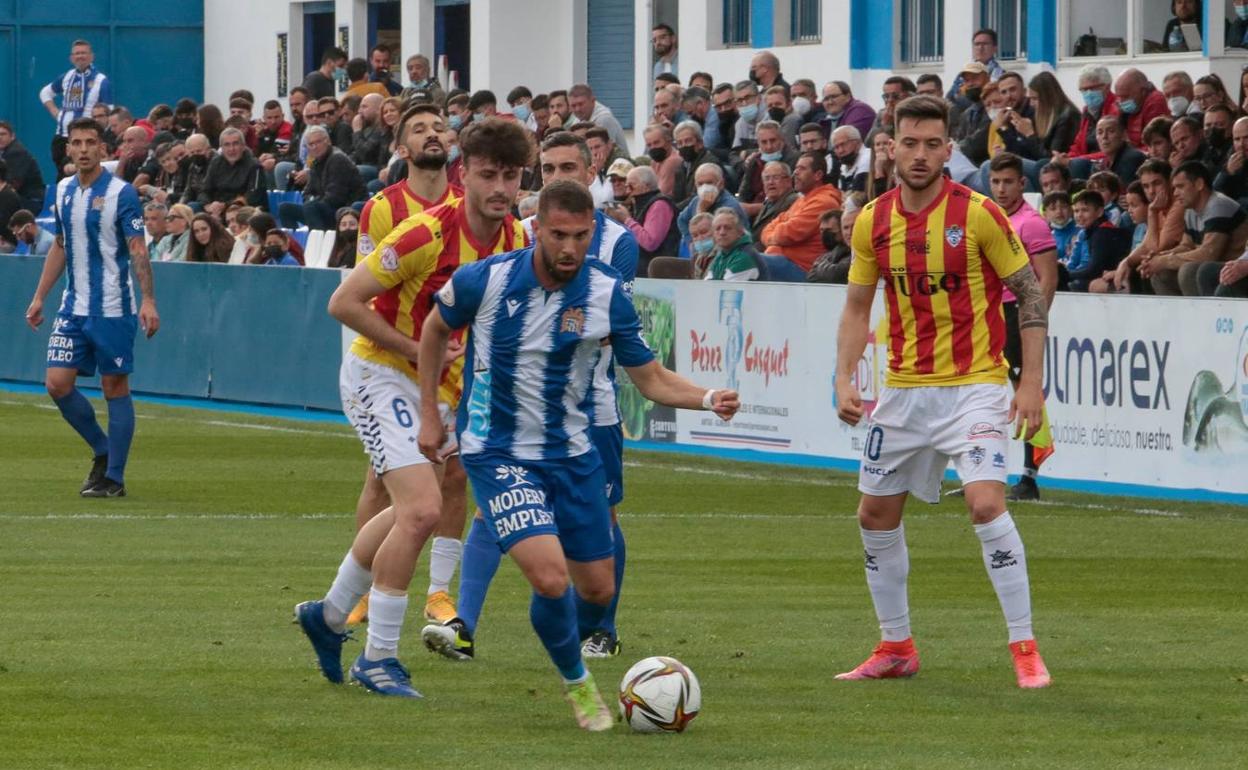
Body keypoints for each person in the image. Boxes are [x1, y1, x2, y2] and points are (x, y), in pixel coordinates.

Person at [416, 179, 739, 730]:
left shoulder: (606, 292)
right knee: (548, 577)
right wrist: (430, 412)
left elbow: (651, 378)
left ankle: (567, 634)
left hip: (574, 454)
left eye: (581, 236)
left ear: (594, 232)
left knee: (597, 590)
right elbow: (434, 327)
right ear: (536, 228)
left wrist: (707, 398)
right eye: (559, 234)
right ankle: (577, 683)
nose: (570, 247)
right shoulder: (487, 280)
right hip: (497, 451)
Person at [294, 118, 530, 700]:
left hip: (441, 389)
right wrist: (415, 351)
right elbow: (343, 302)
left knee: (413, 508)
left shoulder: (517, 242)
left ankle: (328, 616)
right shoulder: (424, 233)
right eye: (487, 174)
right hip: (379, 372)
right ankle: (377, 659)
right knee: (422, 510)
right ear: (463, 174)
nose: (499, 187)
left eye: (511, 175)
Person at [834, 95, 1051, 690]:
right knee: (874, 515)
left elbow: (1030, 297)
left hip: (974, 386)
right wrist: (844, 376)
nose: (921, 154)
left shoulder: (980, 214)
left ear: (949, 149)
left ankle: (1025, 646)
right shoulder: (871, 220)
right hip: (903, 391)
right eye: (911, 143)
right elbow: (857, 307)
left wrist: (1028, 383)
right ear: (892, 145)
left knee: (985, 504)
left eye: (933, 144)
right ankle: (896, 645)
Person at [426, 130, 640, 661]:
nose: (559, 177)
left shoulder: (616, 245)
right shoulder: (518, 234)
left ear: (592, 173)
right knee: (493, 513)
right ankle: (464, 624)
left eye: (569, 167)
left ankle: (600, 627)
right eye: (548, 169)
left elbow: (608, 330)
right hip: (508, 416)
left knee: (602, 520)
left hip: (592, 407)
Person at [342, 103, 465, 628]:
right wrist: (415, 348)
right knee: (385, 482)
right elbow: (363, 294)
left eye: (438, 127)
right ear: (401, 149)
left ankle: (439, 594)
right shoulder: (383, 208)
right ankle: (367, 591)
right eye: (418, 129)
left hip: (455, 375)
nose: (431, 134)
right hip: (396, 365)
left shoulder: (472, 206)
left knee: (454, 478)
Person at [23, 117, 159, 499]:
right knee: (57, 383)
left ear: (103, 148)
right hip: (73, 305)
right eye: (76, 143)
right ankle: (103, 451)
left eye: (90, 143)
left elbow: (137, 248)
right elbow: (62, 245)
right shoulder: (63, 189)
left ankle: (114, 477)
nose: (83, 149)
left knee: (113, 385)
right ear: (68, 148)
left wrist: (148, 300)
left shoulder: (122, 193)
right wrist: (39, 296)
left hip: (114, 307)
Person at [986, 153, 1058, 500]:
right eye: (996, 182)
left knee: (1025, 393)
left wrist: (1033, 323)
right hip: (990, 313)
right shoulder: (989, 218)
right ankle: (984, 472)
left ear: (1022, 184)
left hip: (1016, 313)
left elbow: (1047, 279)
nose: (1001, 189)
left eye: (1008, 182)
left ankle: (1030, 476)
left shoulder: (1031, 224)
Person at [1144, 160, 1248, 295]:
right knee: (1160, 274)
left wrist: (1166, 260)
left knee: (1188, 271)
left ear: (1199, 184)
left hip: (1235, 268)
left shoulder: (1218, 205)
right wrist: (1159, 257)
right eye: (1174, 188)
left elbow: (1209, 254)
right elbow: (1187, 245)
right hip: (1219, 267)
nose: (1175, 193)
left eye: (1180, 186)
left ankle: (1202, 315)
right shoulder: (1190, 210)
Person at [760, 150, 844, 281]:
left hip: (803, 269)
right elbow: (767, 229)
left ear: (818, 175)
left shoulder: (823, 202)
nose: (795, 173)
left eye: (802, 169)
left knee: (748, 260)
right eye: (796, 168)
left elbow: (787, 234)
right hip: (783, 263)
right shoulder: (802, 200)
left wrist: (773, 239)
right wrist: (775, 238)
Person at [41, 40, 112, 179]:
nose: (80, 56)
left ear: (92, 56)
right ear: (71, 58)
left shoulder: (101, 80)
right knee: (62, 176)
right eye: (77, 53)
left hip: (83, 139)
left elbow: (108, 112)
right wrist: (56, 113)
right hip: (61, 137)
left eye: (83, 53)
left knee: (77, 176)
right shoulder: (67, 76)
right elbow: (45, 93)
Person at [279, 126, 365, 230]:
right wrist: (313, 200)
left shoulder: (337, 159)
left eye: (318, 142)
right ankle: (293, 244)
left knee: (311, 207)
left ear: (328, 141)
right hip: (323, 208)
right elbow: (307, 193)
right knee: (285, 208)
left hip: (344, 210)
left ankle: (320, 242)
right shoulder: (316, 162)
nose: (314, 147)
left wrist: (314, 201)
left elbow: (335, 198)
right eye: (311, 144)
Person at [607, 165, 678, 278]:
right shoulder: (640, 205)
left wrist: (627, 219)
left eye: (631, 186)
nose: (628, 191)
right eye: (626, 186)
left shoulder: (659, 205)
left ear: (646, 186)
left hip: (658, 275)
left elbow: (650, 242)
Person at [705, 207, 766, 281]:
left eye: (728, 228)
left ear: (739, 232)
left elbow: (726, 290)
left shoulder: (745, 256)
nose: (722, 232)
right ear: (713, 234)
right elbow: (708, 285)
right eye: (717, 228)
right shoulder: (721, 255)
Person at [568, 84, 630, 156]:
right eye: (573, 106)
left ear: (593, 101)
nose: (577, 109)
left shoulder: (604, 120)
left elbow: (603, 154)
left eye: (581, 104)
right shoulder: (577, 120)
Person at [946, 28, 1006, 101]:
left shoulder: (1001, 74)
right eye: (977, 44)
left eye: (985, 44)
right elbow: (951, 96)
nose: (980, 48)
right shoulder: (964, 72)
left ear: (995, 48)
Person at [0, 121, 47, 211]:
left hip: (30, 202)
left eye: (3, 134)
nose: (0, 137)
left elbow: (13, 184)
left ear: (12, 136)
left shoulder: (16, 152)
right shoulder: (4, 152)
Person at [751, 160, 800, 241]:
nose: (770, 182)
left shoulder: (793, 201)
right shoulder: (769, 201)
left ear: (788, 181)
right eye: (767, 178)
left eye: (775, 177)